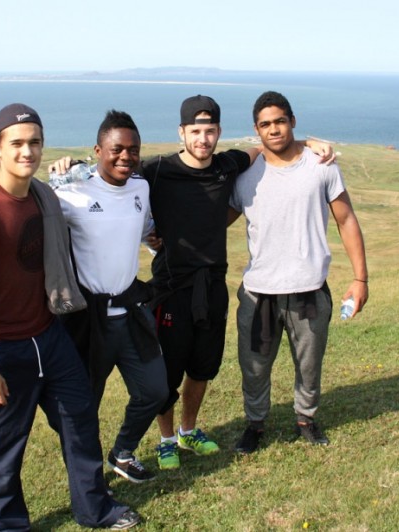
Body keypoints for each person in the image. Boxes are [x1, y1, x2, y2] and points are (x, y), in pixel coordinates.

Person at [0, 103, 140, 530]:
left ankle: (95, 509)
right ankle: (11, 526)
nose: (27, 151)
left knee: (80, 421)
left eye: (34, 142)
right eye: (16, 143)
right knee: (3, 448)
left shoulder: (43, 196)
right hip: (1, 349)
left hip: (49, 338)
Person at [140, 95, 334, 470]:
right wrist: (73, 165)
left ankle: (188, 430)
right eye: (195, 131)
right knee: (167, 371)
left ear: (218, 132)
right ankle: (165, 440)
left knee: (202, 368)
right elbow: (117, 170)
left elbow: (267, 146)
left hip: (212, 286)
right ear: (181, 132)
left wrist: (310, 142)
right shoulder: (158, 170)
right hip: (170, 286)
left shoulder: (228, 164)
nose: (203, 138)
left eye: (209, 130)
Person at [228, 91, 368, 455]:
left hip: (309, 289)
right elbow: (216, 221)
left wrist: (360, 278)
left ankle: (305, 418)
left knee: (309, 363)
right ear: (255, 129)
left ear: (292, 121)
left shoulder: (321, 165)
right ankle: (255, 424)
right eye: (265, 124)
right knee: (254, 367)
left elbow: (346, 219)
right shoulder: (246, 174)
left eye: (280, 121)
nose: (273, 129)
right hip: (258, 292)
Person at [52, 110, 168, 484]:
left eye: (133, 150)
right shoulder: (70, 191)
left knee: (154, 390)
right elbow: (31, 207)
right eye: (117, 149)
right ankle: (87, 482)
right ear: (98, 150)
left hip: (130, 312)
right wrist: (56, 174)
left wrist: (154, 241)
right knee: (83, 407)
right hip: (89, 319)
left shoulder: (140, 188)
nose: (126, 157)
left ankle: (122, 452)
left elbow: (144, 228)